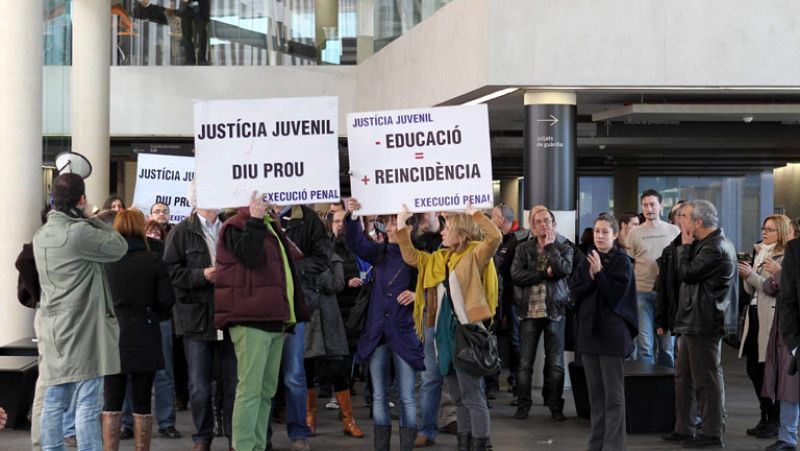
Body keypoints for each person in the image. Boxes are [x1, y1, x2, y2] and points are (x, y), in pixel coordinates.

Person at [397, 202, 501, 451]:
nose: (442, 232)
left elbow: (495, 237)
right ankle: (464, 444)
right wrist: (401, 225)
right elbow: (411, 257)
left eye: (447, 228)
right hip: (443, 337)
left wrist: (473, 213)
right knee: (458, 398)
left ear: (461, 234)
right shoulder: (440, 259)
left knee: (473, 397)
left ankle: (482, 445)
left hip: (467, 335)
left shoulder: (475, 255)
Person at [33, 173, 128, 450]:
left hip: (54, 327)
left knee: (54, 396)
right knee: (89, 400)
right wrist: (92, 218)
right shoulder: (79, 232)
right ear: (81, 200)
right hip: (84, 328)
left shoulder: (41, 235)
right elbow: (119, 247)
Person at [215, 192, 309, 451]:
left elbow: (285, 275)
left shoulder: (270, 226)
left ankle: (256, 446)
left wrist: (288, 318)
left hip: (273, 318)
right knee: (250, 390)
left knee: (265, 391)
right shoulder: (234, 225)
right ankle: (244, 447)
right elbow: (249, 257)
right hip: (250, 319)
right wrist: (256, 220)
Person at [344, 199, 423, 451]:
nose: (388, 228)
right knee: (379, 397)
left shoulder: (418, 255)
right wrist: (352, 216)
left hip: (404, 333)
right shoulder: (379, 252)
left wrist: (417, 295)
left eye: (393, 223)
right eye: (386, 222)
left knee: (407, 397)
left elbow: (433, 285)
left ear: (408, 226)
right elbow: (355, 241)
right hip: (377, 333)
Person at [163, 182, 235, 451]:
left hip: (230, 315)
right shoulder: (181, 231)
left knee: (233, 382)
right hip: (196, 317)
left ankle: (235, 438)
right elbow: (170, 272)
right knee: (198, 385)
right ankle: (202, 437)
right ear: (198, 199)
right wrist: (201, 275)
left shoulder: (231, 227)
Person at [102, 209, 176, 451]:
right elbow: (167, 300)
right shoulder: (153, 260)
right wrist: (153, 313)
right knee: (142, 401)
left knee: (112, 400)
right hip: (145, 331)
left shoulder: (105, 261)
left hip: (112, 334)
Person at [666, 200, 738, 448]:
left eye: (684, 216)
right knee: (684, 377)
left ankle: (711, 432)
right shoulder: (706, 244)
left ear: (698, 222)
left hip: (703, 322)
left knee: (706, 380)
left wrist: (685, 247)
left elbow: (687, 273)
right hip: (693, 319)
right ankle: (684, 428)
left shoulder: (714, 247)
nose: (679, 220)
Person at [570, 213, 638, 451]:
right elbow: (574, 293)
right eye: (597, 231)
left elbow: (615, 297)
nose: (599, 236)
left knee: (613, 397)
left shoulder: (622, 263)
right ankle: (596, 444)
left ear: (615, 235)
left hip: (612, 336)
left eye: (605, 232)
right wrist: (592, 278)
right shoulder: (587, 259)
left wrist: (599, 274)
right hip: (589, 335)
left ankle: (613, 446)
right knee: (596, 396)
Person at [510, 207, 573, 421]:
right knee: (525, 363)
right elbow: (516, 275)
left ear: (554, 224)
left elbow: (564, 270)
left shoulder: (564, 247)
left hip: (555, 311)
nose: (543, 224)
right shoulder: (523, 248)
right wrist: (543, 274)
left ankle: (555, 407)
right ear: (532, 226)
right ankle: (523, 405)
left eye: (547, 221)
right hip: (529, 311)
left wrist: (550, 248)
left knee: (555, 363)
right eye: (538, 221)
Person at [738, 215, 792, 439]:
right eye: (763, 228)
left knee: (771, 370)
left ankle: (775, 420)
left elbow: (774, 288)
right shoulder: (760, 251)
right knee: (754, 369)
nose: (764, 233)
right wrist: (747, 275)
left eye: (770, 229)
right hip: (754, 314)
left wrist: (751, 275)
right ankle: (765, 415)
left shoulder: (786, 256)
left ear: (781, 232)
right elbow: (751, 289)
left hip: (772, 316)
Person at [626, 189, 680, 368]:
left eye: (652, 204)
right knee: (645, 345)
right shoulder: (634, 233)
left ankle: (668, 383)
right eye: (645, 205)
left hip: (666, 295)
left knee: (667, 346)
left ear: (661, 206)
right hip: (642, 292)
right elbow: (629, 263)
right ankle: (646, 382)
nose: (649, 209)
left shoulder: (673, 230)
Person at [762, 218, 798, 451]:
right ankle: (787, 435)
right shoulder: (790, 255)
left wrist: (778, 274)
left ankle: (788, 436)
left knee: (790, 384)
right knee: (788, 384)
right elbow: (769, 288)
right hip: (788, 330)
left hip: (789, 330)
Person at [179, 0, 210, 65]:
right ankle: (190, 60)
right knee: (186, 34)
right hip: (185, 7)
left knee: (202, 32)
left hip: (200, 7)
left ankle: (202, 59)